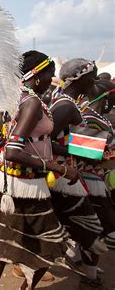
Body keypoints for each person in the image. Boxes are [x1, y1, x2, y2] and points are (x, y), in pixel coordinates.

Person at [0, 51, 80, 290]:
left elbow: (34, 140)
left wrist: (71, 151)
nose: (52, 79)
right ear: (37, 75)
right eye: (49, 74)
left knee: (10, 233)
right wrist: (59, 168)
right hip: (25, 182)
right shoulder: (32, 102)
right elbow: (13, 150)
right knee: (52, 242)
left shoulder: (19, 96)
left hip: (15, 179)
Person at [49, 58, 107, 287]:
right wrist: (79, 152)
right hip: (65, 176)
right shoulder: (66, 105)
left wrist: (92, 149)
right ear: (79, 78)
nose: (94, 80)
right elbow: (40, 141)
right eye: (91, 76)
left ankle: (88, 272)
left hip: (71, 173)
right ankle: (90, 277)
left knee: (86, 225)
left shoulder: (69, 102)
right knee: (91, 225)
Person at [80, 80, 115, 250]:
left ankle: (88, 269)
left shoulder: (93, 115)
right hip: (89, 180)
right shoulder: (89, 118)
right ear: (106, 97)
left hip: (95, 178)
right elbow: (85, 154)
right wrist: (107, 156)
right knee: (100, 227)